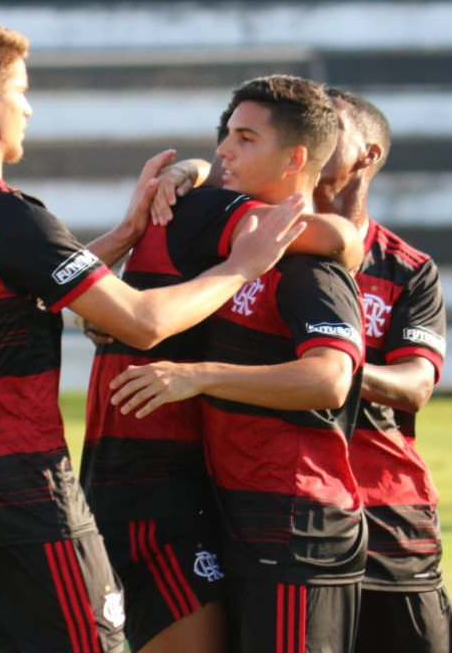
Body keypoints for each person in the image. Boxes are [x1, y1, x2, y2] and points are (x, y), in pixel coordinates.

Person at [0, 21, 305, 653]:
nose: (27, 108)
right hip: (26, 495)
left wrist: (121, 234)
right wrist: (240, 267)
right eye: (21, 91)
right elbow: (140, 323)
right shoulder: (10, 215)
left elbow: (18, 286)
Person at [111, 75, 367, 652]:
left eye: (245, 139)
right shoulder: (224, 245)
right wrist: (189, 169)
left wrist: (196, 377)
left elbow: (329, 379)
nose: (225, 148)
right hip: (236, 509)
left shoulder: (311, 269)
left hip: (297, 518)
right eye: (226, 135)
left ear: (294, 158)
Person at [315, 87, 452, 653]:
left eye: (331, 129)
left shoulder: (408, 269)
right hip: (288, 507)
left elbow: (415, 385)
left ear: (367, 155)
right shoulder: (254, 248)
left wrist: (329, 371)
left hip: (389, 508)